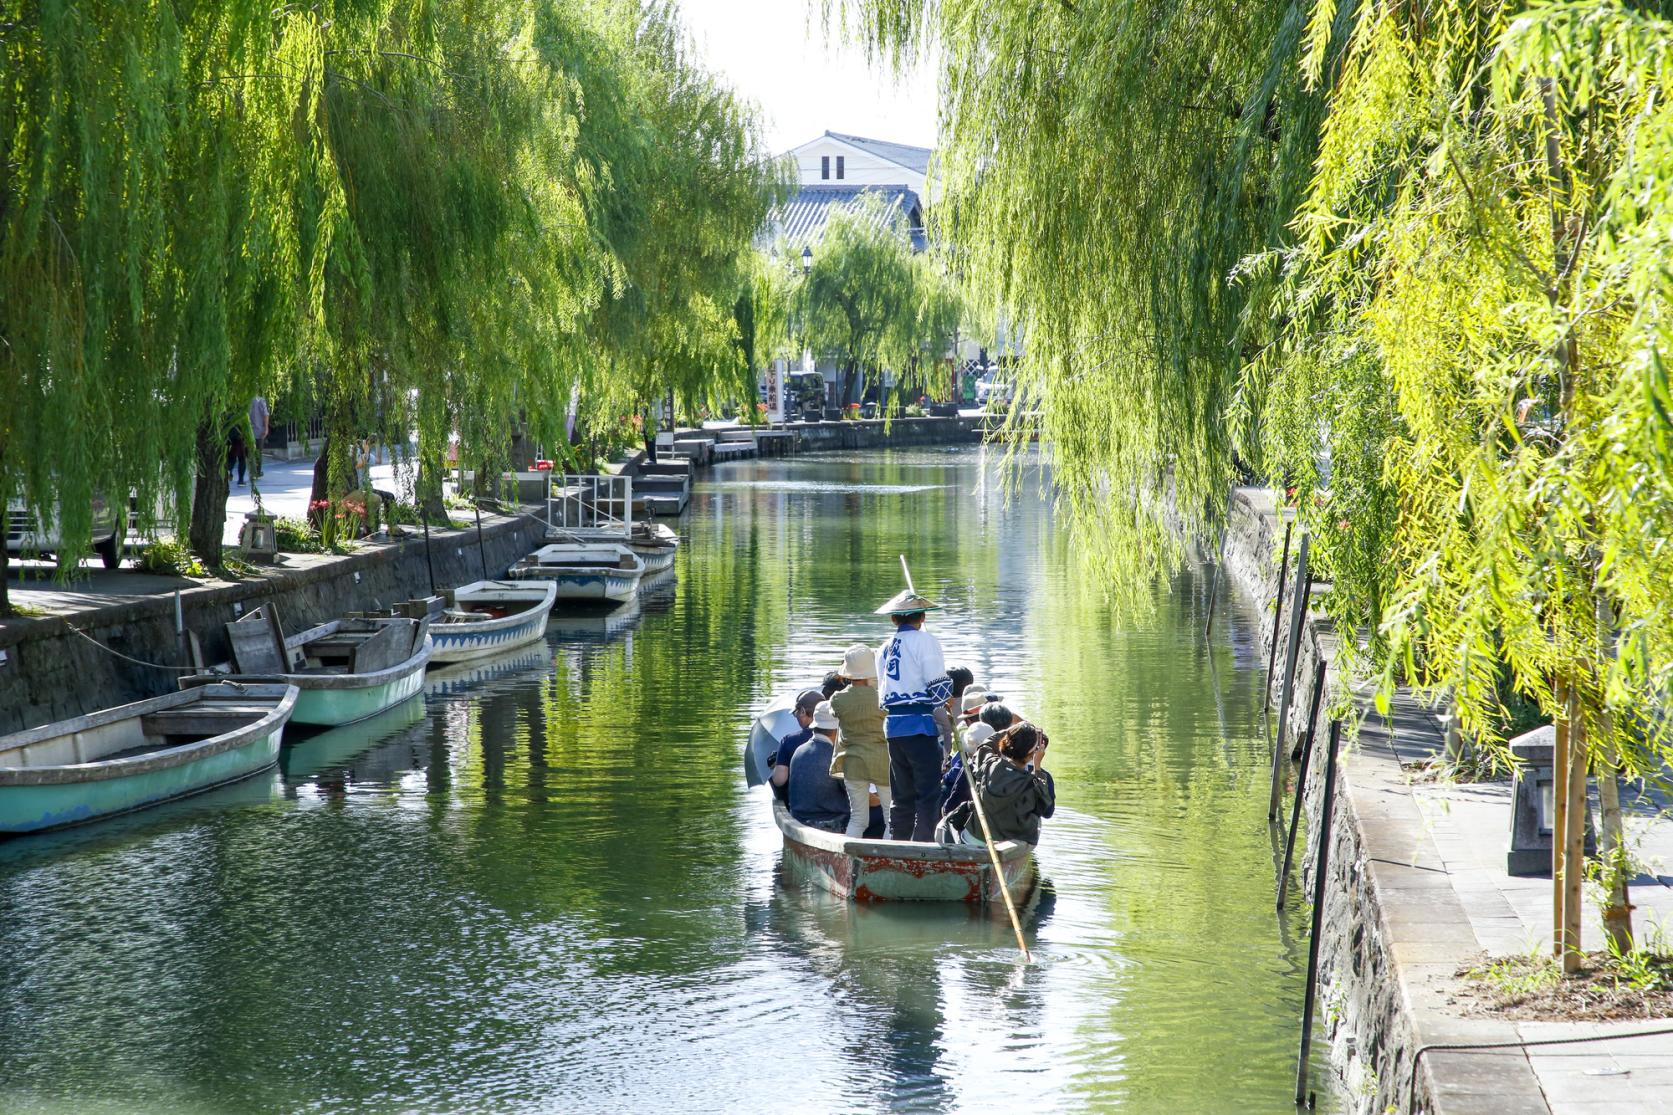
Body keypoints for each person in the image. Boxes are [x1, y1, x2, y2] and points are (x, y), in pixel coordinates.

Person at [876, 588, 953, 842]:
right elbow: (940, 692)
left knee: (902, 794)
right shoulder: (925, 641)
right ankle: (923, 845)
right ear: (922, 618)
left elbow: (883, 694)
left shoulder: (884, 648)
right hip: (919, 726)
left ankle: (898, 842)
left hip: (894, 729)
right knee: (928, 793)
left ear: (894, 619)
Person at [955, 722, 1055, 847]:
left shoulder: (989, 764)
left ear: (1006, 741)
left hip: (973, 838)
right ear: (1033, 754)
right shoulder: (1034, 783)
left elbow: (985, 745)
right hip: (1009, 845)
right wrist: (1037, 767)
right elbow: (1046, 809)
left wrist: (1010, 731)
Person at [829, 644, 891, 838]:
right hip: (882, 760)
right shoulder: (883, 696)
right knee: (891, 818)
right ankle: (890, 859)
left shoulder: (838, 699)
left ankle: (848, 860)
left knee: (858, 818)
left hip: (852, 760)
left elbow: (834, 712)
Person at [788, 702, 851, 833]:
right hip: (833, 825)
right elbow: (856, 795)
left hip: (799, 820)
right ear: (837, 730)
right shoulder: (836, 757)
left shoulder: (798, 751)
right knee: (879, 813)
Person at [769, 689, 823, 803]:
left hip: (800, 806)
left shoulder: (788, 741)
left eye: (796, 713)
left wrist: (774, 767)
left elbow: (779, 780)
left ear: (803, 711)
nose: (796, 717)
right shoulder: (838, 737)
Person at [248, 395, 270, 479]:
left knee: (251, 452)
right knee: (258, 452)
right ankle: (256, 471)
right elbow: (265, 415)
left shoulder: (245, 400)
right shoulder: (260, 400)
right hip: (258, 431)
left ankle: (252, 472)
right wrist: (266, 428)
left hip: (249, 431)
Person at [227, 422, 247, 486]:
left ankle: (229, 472)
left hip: (227, 434)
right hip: (238, 436)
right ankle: (240, 479)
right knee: (241, 458)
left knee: (231, 457)